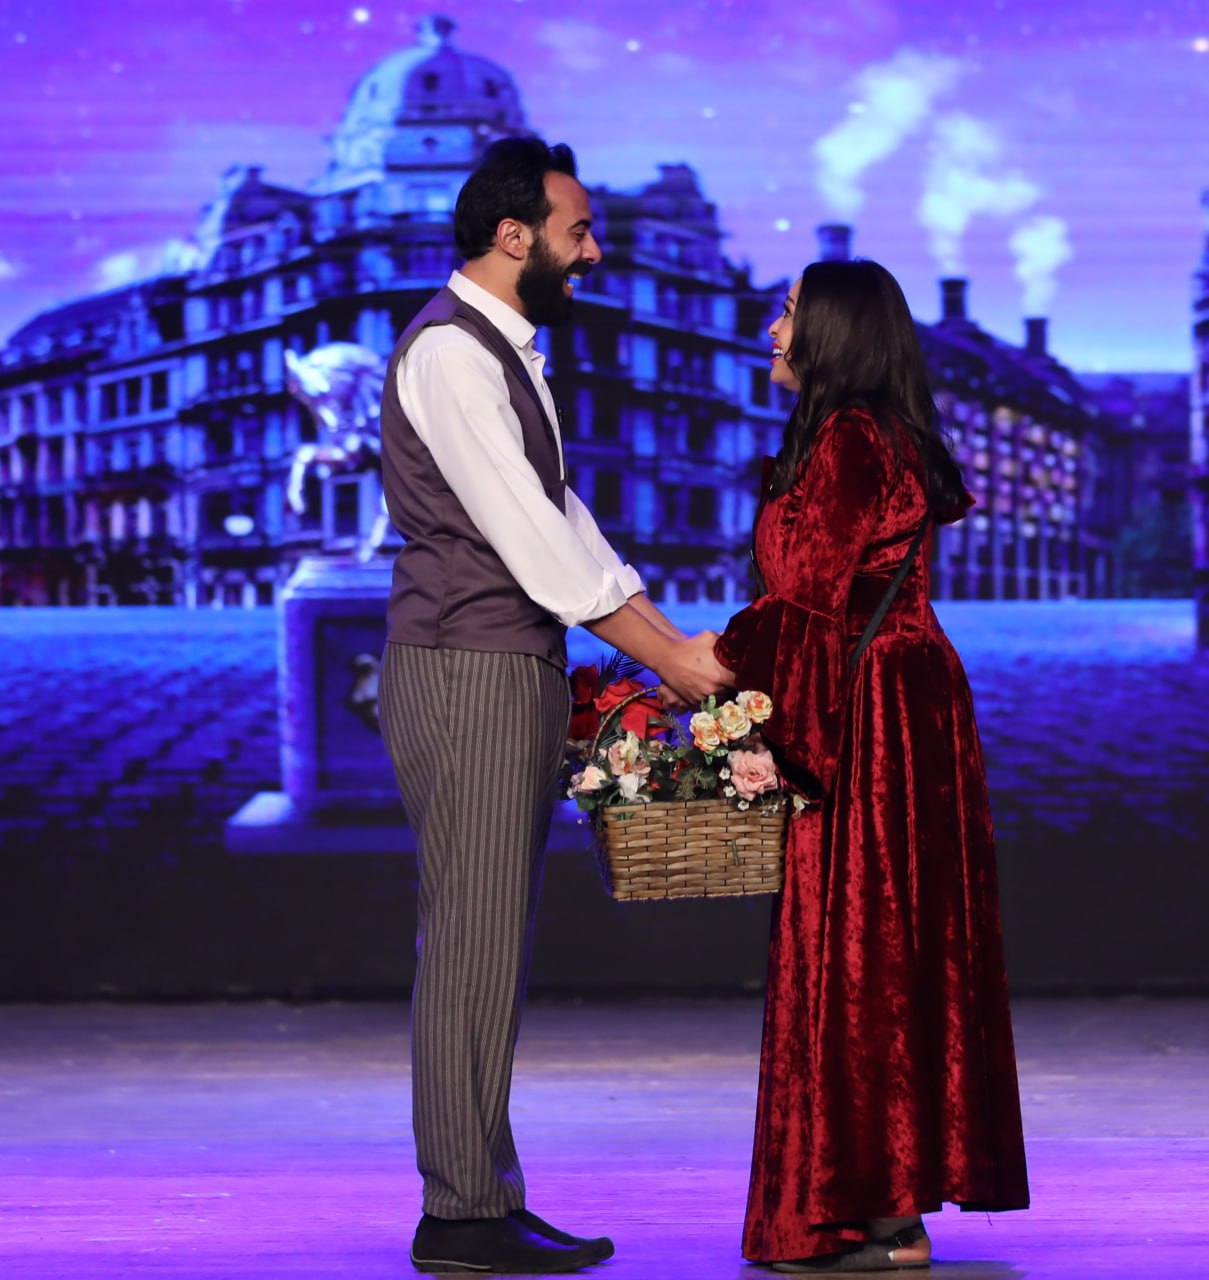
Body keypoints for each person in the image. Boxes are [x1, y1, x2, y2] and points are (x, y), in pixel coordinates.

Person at [377, 135, 728, 1275]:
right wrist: (666, 660)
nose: (594, 252)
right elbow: (535, 545)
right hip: (469, 669)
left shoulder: (503, 350)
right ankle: (461, 1212)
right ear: (513, 233)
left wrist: (667, 640)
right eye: (579, 231)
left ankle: (481, 1198)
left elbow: (566, 517)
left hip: (502, 665)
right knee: (472, 942)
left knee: (486, 940)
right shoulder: (453, 352)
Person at [712, 259, 1030, 1273]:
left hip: (865, 711)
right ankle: (887, 1206)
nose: (771, 330)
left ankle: (855, 1210)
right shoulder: (874, 431)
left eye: (787, 313)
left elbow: (808, 592)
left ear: (834, 331)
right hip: (900, 699)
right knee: (896, 945)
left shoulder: (850, 437)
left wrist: (717, 677)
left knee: (854, 945)